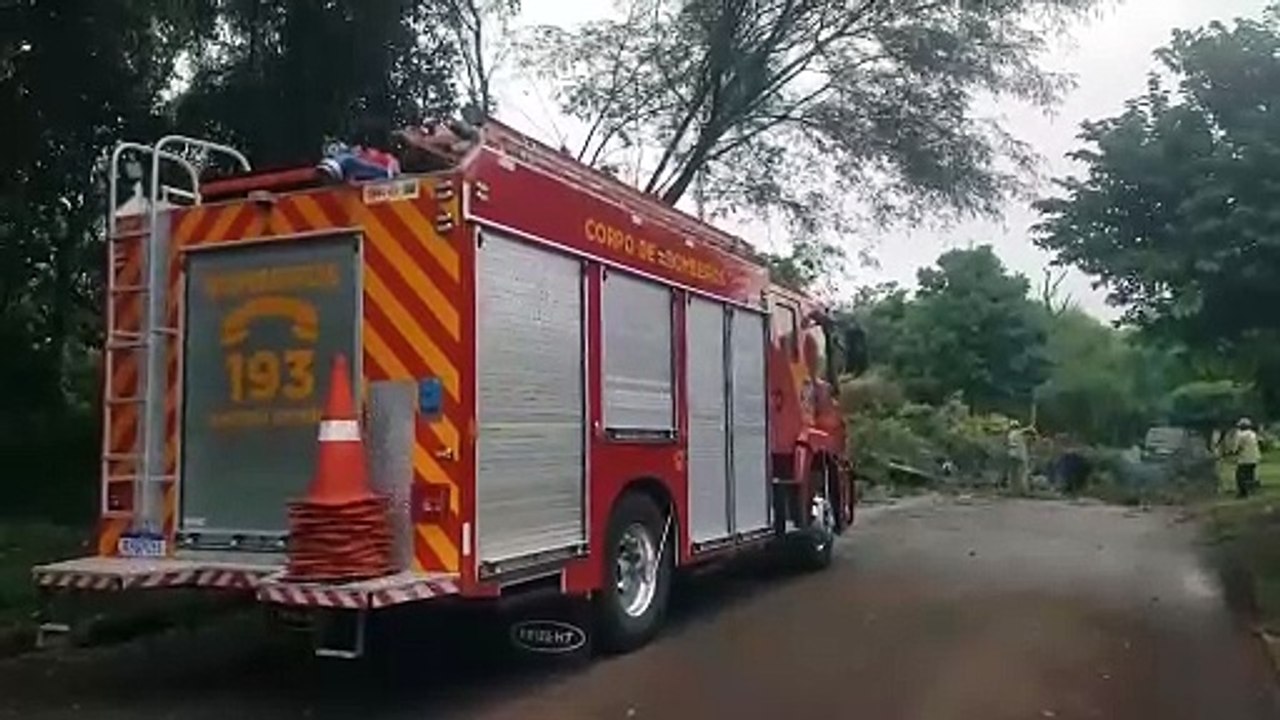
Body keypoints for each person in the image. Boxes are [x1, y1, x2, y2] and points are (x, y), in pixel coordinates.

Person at [1232, 417, 1261, 498]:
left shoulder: (1241, 435)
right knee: (1249, 475)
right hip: (1254, 458)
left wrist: (1233, 452)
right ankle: (1251, 490)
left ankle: (1243, 493)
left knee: (1239, 476)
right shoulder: (1253, 434)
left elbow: (1238, 447)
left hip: (1245, 459)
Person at [1005, 421, 1029, 495]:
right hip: (1020, 456)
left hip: (1012, 455)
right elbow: (1023, 431)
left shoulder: (1010, 434)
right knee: (1021, 473)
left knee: (1013, 474)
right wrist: (1029, 428)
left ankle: (1014, 490)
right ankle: (1021, 490)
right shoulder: (1016, 434)